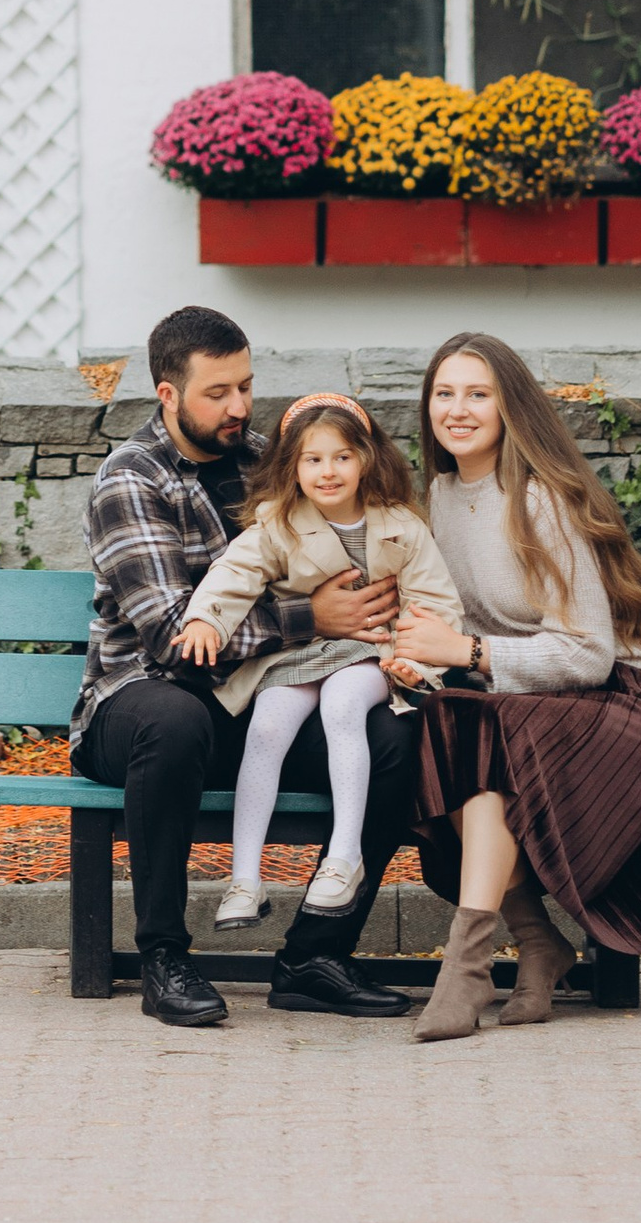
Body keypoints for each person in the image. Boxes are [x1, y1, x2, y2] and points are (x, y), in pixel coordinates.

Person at [73, 307, 425, 1028]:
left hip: (259, 693)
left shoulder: (270, 461)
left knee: (392, 736)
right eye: (217, 393)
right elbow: (175, 639)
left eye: (246, 386)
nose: (239, 407)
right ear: (168, 394)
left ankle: (315, 958)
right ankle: (164, 956)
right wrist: (313, 618)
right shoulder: (130, 481)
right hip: (140, 700)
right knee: (173, 720)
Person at [383, 330, 641, 1042]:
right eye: (444, 393)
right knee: (452, 727)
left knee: (489, 729)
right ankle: (536, 941)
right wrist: (419, 658)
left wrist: (466, 651)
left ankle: (464, 967)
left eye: (478, 394)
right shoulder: (439, 495)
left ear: (510, 407)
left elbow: (589, 654)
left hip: (622, 704)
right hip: (525, 707)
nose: (457, 409)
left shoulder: (542, 500)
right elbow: (453, 623)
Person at [176, 389, 464, 926]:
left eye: (342, 456)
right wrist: (205, 620)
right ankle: (244, 879)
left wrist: (417, 664)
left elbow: (433, 603)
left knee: (343, 704)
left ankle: (344, 858)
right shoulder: (279, 523)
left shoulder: (401, 525)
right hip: (302, 651)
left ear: (366, 459)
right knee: (268, 725)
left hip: (374, 650)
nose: (327, 472)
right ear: (293, 466)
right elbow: (234, 574)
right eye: (312, 459)